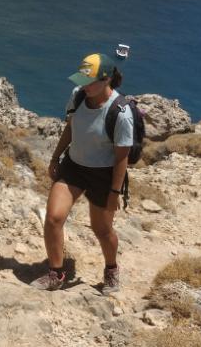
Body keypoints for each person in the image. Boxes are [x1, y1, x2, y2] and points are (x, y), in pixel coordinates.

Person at [31, 53, 133, 294]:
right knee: (54, 218)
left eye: (90, 81)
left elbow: (121, 158)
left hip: (103, 175)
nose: (84, 85)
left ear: (106, 80)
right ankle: (56, 274)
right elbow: (71, 128)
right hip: (74, 167)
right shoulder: (78, 96)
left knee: (102, 230)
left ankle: (111, 269)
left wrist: (114, 193)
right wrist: (56, 157)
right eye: (82, 80)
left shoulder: (120, 112)